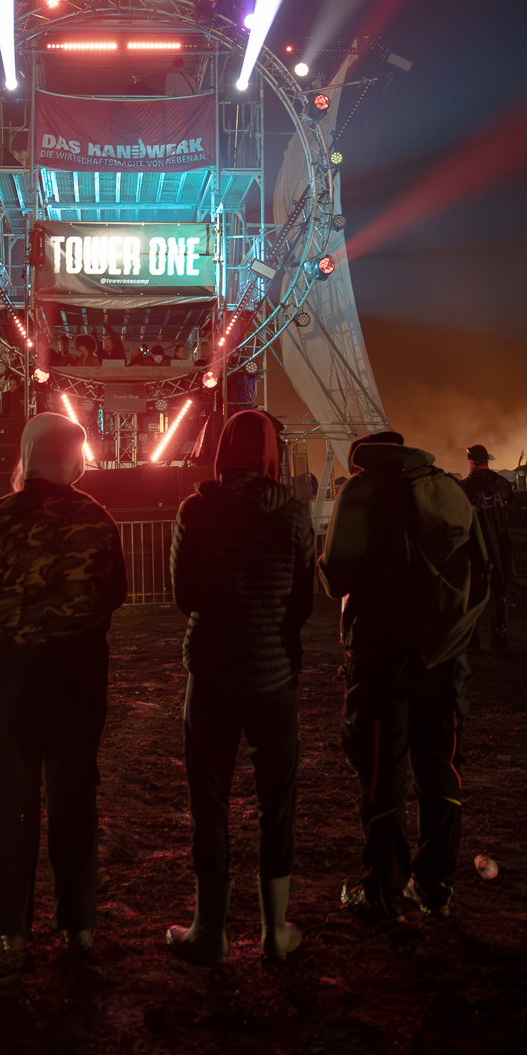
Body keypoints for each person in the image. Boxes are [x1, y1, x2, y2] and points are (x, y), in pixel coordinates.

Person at [0, 413, 127, 966]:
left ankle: (14, 928)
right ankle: (78, 925)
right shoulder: (96, 517)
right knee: (74, 798)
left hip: (12, 676)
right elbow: (114, 592)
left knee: (13, 802)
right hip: (76, 672)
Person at [167, 410, 314, 963]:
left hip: (212, 674)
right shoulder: (292, 515)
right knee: (277, 801)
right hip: (273, 675)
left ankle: (210, 932)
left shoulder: (196, 510)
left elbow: (185, 596)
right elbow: (303, 602)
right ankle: (276, 931)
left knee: (209, 800)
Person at [320, 431, 485, 919]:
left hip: (382, 655)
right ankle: (434, 885)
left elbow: (336, 574)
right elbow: (479, 565)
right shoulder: (448, 486)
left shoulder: (362, 490)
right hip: (444, 655)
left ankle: (382, 891)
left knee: (381, 772)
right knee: (440, 767)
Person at [461, 443, 514, 653]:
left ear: (471, 461)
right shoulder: (502, 483)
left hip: (476, 548)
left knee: (474, 594)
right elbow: (510, 510)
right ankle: (500, 638)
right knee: (500, 592)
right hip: (501, 546)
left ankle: (473, 639)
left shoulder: (465, 487)